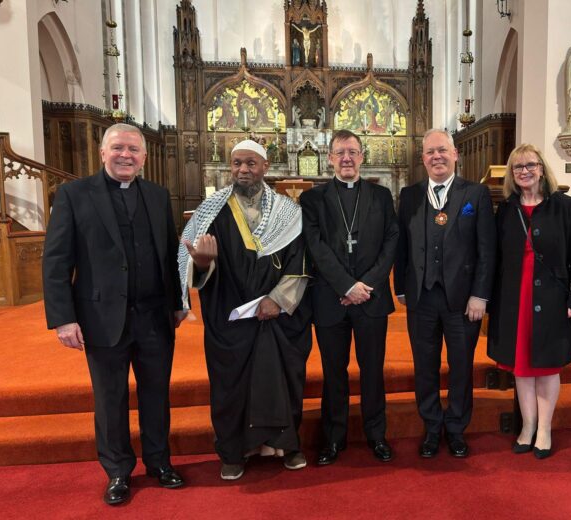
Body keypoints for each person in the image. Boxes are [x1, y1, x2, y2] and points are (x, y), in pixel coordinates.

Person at [43, 123, 186, 505]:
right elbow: (56, 259)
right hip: (102, 316)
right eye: (118, 148)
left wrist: (178, 302)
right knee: (110, 398)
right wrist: (63, 317)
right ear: (103, 152)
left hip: (155, 315)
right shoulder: (74, 194)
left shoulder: (157, 195)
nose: (126, 155)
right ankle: (118, 471)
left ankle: (159, 462)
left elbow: (171, 254)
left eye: (133, 150)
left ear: (143, 157)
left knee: (157, 394)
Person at [179, 139, 312, 480]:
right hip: (231, 316)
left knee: (284, 378)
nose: (242, 169)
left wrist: (277, 300)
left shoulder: (288, 211)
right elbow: (191, 265)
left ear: (266, 166)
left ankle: (287, 445)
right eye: (237, 163)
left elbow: (300, 261)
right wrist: (203, 263)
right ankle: (234, 451)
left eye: (251, 163)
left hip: (278, 316)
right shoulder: (210, 211)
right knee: (231, 384)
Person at [394, 129, 496, 458]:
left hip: (463, 300)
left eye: (442, 150)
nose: (436, 156)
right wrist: (400, 288)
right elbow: (401, 247)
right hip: (421, 298)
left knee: (461, 366)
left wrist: (480, 295)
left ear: (455, 154)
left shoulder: (475, 194)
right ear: (422, 158)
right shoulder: (409, 195)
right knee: (425, 366)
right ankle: (431, 425)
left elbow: (486, 250)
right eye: (429, 152)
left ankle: (455, 427)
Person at [300, 130, 399, 465]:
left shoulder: (382, 196)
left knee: (373, 371)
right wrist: (346, 286)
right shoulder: (313, 200)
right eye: (340, 152)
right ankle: (333, 438)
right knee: (334, 372)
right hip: (331, 299)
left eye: (352, 152)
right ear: (329, 157)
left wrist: (365, 286)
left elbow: (391, 243)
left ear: (362, 156)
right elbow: (316, 247)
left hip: (371, 298)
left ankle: (377, 435)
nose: (346, 158)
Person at [487, 144, 571, 460]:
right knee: (522, 367)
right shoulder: (506, 210)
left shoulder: (566, 207)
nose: (524, 171)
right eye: (517, 167)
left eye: (530, 165)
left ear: (542, 169)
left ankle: (544, 428)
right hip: (514, 298)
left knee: (546, 367)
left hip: (552, 297)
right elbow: (496, 258)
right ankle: (527, 426)